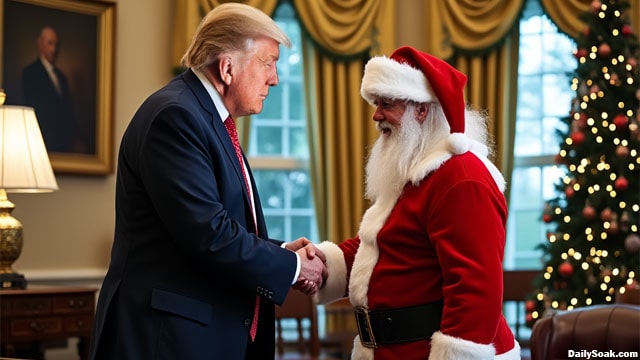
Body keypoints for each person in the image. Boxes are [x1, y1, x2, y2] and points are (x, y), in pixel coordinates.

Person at [89, 4, 326, 360]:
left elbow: (220, 224)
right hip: (166, 342)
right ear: (228, 67)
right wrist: (293, 268)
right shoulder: (177, 117)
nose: (275, 78)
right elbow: (209, 235)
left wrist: (280, 252)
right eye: (268, 62)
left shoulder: (205, 117)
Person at [315, 46, 520, 359]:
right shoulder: (415, 173)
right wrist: (320, 264)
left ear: (421, 110)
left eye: (387, 104)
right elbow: (385, 247)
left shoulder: (460, 178)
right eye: (376, 103)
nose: (376, 114)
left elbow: (475, 291)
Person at [22, 26, 78, 153]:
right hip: (41, 143)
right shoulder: (30, 73)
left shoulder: (62, 78)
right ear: (40, 44)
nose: (54, 49)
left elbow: (67, 111)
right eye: (50, 43)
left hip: (63, 145)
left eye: (56, 44)